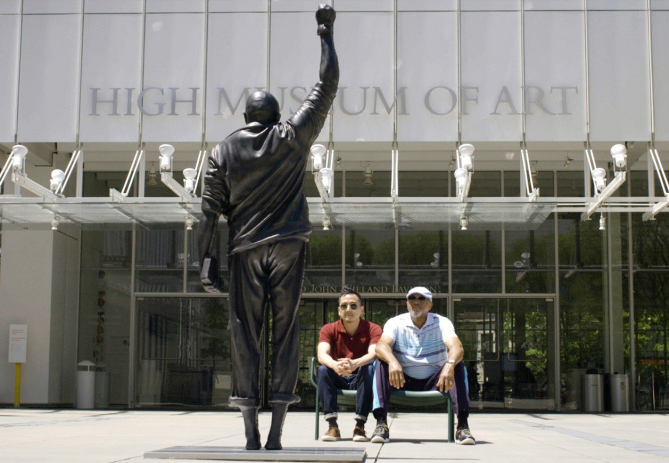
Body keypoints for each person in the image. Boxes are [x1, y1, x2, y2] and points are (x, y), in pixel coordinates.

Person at [196, 4, 338, 451]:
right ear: (276, 116)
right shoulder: (292, 136)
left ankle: (251, 435)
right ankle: (276, 433)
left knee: (245, 333)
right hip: (289, 245)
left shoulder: (223, 151)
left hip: (246, 249)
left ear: (245, 118)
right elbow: (327, 85)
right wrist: (326, 33)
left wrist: (203, 261)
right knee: (286, 329)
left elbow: (207, 214)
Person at [370, 286, 476, 445]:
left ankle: (462, 426)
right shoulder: (395, 322)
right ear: (407, 303)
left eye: (421, 299)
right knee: (381, 362)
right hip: (402, 380)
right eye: (412, 298)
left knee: (457, 366)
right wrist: (392, 361)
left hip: (436, 381)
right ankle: (381, 424)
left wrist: (450, 364)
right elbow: (380, 346)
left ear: (430, 304)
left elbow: (457, 348)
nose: (416, 302)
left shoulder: (441, 322)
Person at [316, 287, 382, 442]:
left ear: (361, 310)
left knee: (368, 368)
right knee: (323, 369)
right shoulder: (329, 329)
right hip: (337, 377)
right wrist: (334, 365)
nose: (348, 309)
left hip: (361, 378)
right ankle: (332, 426)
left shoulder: (373, 328)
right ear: (339, 310)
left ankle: (360, 427)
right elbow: (321, 354)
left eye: (353, 306)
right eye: (344, 306)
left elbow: (374, 354)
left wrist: (354, 364)